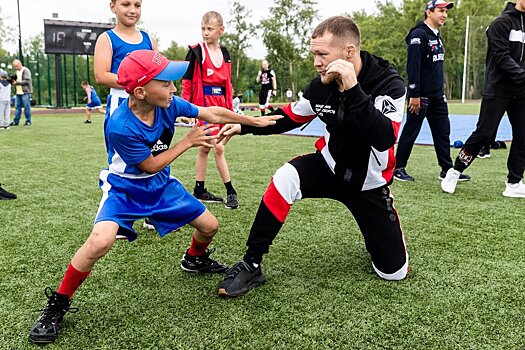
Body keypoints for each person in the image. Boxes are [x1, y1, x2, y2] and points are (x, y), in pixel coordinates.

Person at [28, 50, 280, 344]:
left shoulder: (168, 104)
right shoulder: (120, 125)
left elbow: (211, 112)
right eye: (166, 83)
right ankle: (57, 304)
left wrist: (252, 121)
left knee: (210, 226)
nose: (173, 89)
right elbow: (148, 165)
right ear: (140, 91)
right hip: (125, 188)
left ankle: (193, 259)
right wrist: (188, 141)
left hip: (160, 185)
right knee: (100, 241)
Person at [216, 16, 409, 298]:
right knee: (286, 177)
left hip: (368, 183)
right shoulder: (320, 84)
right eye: (313, 54)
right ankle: (252, 263)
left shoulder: (389, 84)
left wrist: (353, 89)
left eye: (322, 54)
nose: (316, 62)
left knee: (394, 272)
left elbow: (384, 137)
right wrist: (245, 125)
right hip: (329, 166)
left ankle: (380, 238)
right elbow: (290, 116)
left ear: (349, 52)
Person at [441, 0, 525, 198]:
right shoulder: (500, 23)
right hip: (498, 89)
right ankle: (455, 171)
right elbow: (502, 57)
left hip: (521, 91)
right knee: (485, 134)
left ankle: (514, 183)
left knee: (523, 134)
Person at [94, 0, 158, 232]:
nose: (132, 10)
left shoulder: (148, 39)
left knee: (154, 154)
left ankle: (151, 211)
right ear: (112, 6)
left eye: (137, 5)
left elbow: (157, 69)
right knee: (122, 161)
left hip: (149, 103)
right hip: (122, 103)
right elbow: (101, 75)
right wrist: (136, 80)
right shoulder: (107, 39)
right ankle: (117, 218)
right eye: (125, 4)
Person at [393, 0, 470, 183]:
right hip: (421, 96)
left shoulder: (436, 34)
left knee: (443, 132)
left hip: (437, 96)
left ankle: (446, 169)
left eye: (446, 12)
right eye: (440, 11)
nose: (444, 15)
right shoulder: (419, 34)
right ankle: (398, 168)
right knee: (411, 131)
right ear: (429, 12)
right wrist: (414, 94)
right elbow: (413, 66)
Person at [181, 11, 239, 209]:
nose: (205, 32)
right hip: (203, 106)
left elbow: (228, 84)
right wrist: (186, 108)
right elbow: (187, 81)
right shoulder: (196, 51)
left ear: (221, 30)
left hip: (221, 105)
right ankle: (231, 191)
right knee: (218, 146)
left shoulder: (225, 53)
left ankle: (199, 190)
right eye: (203, 28)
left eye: (210, 29)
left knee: (206, 147)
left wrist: (231, 113)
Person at [11, 59, 32, 126]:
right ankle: (16, 121)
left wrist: (17, 83)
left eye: (17, 66)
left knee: (26, 107)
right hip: (18, 92)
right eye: (15, 66)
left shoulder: (26, 70)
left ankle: (28, 121)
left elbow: (27, 81)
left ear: (20, 64)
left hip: (25, 92)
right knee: (17, 107)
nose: (16, 68)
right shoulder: (16, 72)